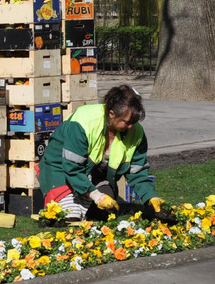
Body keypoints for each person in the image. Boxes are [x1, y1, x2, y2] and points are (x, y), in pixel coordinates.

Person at [39, 84, 166, 222]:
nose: (131, 127)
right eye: (127, 122)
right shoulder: (83, 121)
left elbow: (137, 172)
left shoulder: (136, 132)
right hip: (61, 171)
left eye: (134, 122)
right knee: (70, 216)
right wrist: (95, 195)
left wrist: (151, 196)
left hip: (95, 174)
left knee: (105, 212)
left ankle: (87, 203)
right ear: (111, 113)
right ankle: (67, 202)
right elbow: (72, 168)